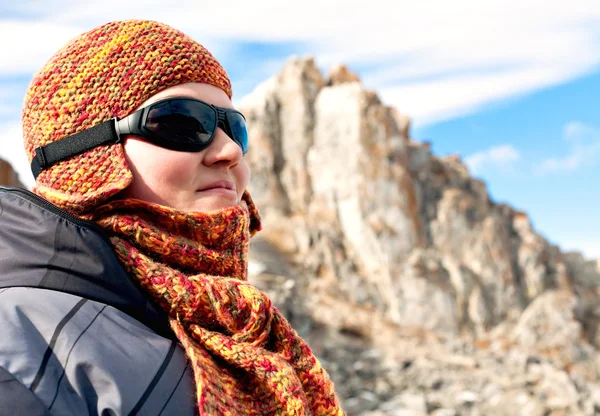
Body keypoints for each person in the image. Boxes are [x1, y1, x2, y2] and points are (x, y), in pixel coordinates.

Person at [0, 19, 344, 415]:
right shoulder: (19, 343)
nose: (230, 150)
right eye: (182, 122)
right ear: (86, 153)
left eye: (234, 128)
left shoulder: (233, 324)